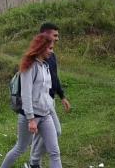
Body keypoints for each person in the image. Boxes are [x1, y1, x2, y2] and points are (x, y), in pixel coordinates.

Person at [0, 33, 62, 168]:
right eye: (50, 48)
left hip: (45, 115)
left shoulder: (45, 66)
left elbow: (46, 92)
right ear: (41, 47)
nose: (52, 51)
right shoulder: (29, 67)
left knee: (55, 152)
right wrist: (31, 119)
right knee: (20, 148)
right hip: (30, 116)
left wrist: (51, 107)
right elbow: (26, 94)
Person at [26, 22, 71, 168]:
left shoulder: (52, 55)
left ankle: (34, 162)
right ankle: (34, 161)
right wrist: (30, 115)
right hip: (38, 103)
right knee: (53, 132)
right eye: (55, 35)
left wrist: (62, 96)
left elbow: (54, 77)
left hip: (49, 101)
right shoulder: (37, 57)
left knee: (51, 132)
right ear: (44, 35)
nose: (57, 38)